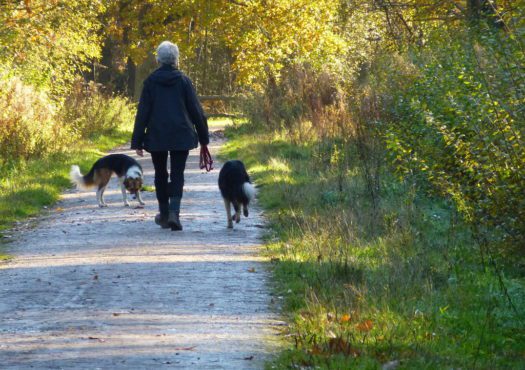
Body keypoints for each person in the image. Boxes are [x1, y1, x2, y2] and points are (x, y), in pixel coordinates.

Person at [131, 41, 209, 231]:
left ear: (158, 59)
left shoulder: (150, 81)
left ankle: (164, 213)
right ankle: (175, 212)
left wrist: (138, 140)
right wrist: (204, 138)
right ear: (176, 59)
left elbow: (143, 112)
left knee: (160, 173)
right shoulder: (183, 80)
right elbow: (196, 110)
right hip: (181, 134)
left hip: (157, 135)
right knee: (177, 173)